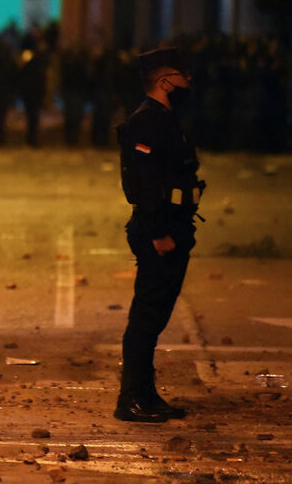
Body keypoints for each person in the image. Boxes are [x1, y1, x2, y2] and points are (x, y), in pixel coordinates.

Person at [115, 47, 205, 422]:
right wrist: (157, 234)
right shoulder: (147, 122)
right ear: (166, 81)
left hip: (175, 226)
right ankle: (131, 398)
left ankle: (146, 394)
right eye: (183, 77)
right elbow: (142, 181)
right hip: (160, 230)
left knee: (155, 316)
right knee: (146, 317)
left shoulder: (166, 118)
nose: (189, 84)